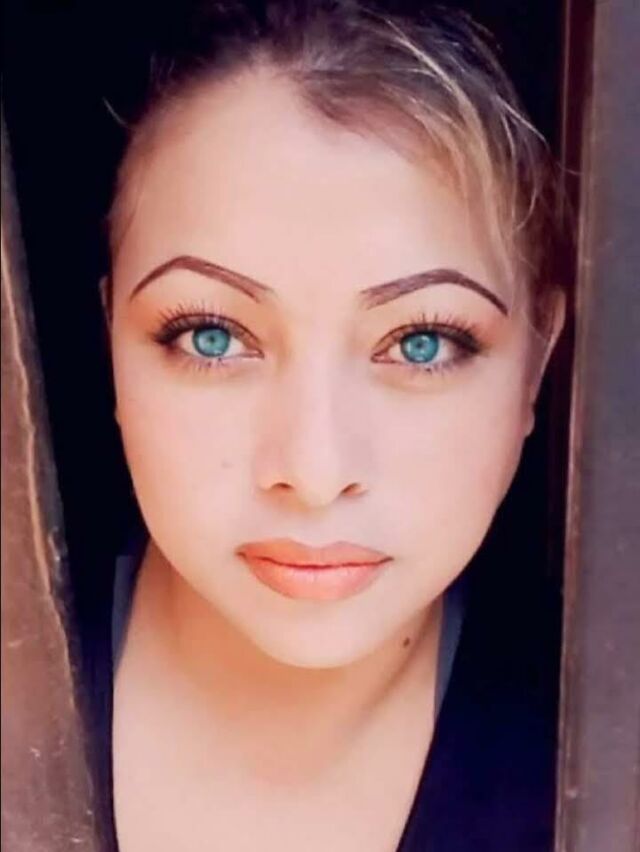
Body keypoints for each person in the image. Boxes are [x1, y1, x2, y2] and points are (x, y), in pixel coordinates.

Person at [96, 2, 567, 849]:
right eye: (212, 336)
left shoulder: (597, 762)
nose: (314, 472)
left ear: (537, 361)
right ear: (109, 340)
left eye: (422, 343)